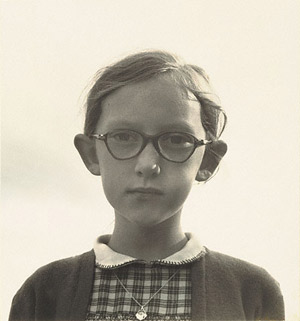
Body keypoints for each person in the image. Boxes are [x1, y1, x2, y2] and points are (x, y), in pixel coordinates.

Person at [9, 50, 285, 321]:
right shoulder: (46, 292)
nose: (148, 164)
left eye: (177, 139)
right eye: (124, 136)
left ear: (208, 160)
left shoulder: (250, 292)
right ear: (91, 153)